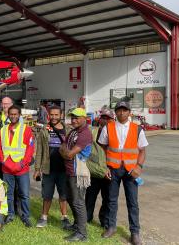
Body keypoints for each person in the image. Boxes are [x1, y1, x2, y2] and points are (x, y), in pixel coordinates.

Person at [98, 101, 148, 245]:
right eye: (119, 110)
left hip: (131, 171)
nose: (121, 113)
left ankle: (135, 232)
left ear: (129, 112)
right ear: (115, 112)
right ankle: (111, 227)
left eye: (124, 110)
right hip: (112, 169)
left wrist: (139, 167)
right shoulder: (108, 127)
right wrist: (104, 167)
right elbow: (102, 148)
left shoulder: (137, 129)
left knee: (132, 202)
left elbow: (142, 151)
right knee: (111, 200)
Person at [33, 105, 72, 228]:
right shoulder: (46, 129)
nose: (54, 117)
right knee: (47, 195)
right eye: (52, 115)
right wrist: (37, 169)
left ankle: (64, 217)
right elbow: (39, 150)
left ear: (61, 115)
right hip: (48, 169)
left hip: (64, 169)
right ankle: (44, 217)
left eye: (57, 114)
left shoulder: (68, 130)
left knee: (63, 195)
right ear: (49, 115)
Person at [0, 105, 35, 227]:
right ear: (8, 115)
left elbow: (30, 148)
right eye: (11, 114)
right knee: (9, 193)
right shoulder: (3, 129)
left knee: (24, 194)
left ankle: (25, 216)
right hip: (7, 168)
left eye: (15, 114)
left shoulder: (26, 129)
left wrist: (23, 163)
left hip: (21, 168)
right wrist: (2, 161)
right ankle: (10, 214)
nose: (13, 116)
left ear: (19, 115)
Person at [59, 107, 93, 242]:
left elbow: (69, 153)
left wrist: (66, 152)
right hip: (69, 170)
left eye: (77, 118)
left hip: (77, 173)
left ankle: (82, 233)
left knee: (78, 202)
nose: (74, 120)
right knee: (70, 199)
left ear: (85, 118)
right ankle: (77, 225)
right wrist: (65, 152)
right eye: (72, 117)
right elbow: (62, 148)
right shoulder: (73, 131)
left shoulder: (85, 134)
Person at [85, 107, 114, 228]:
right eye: (103, 118)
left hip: (109, 172)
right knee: (90, 196)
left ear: (113, 120)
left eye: (108, 118)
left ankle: (105, 221)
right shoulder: (93, 131)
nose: (105, 120)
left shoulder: (115, 134)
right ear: (99, 119)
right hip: (94, 171)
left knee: (107, 198)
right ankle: (86, 218)